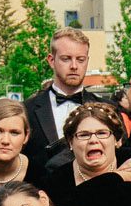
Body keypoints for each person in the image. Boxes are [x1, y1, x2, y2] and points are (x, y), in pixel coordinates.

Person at [22, 29, 94, 157]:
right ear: (51, 60)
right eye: (66, 59)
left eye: (80, 59)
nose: (74, 66)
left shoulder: (108, 109)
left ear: (87, 61)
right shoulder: (26, 110)